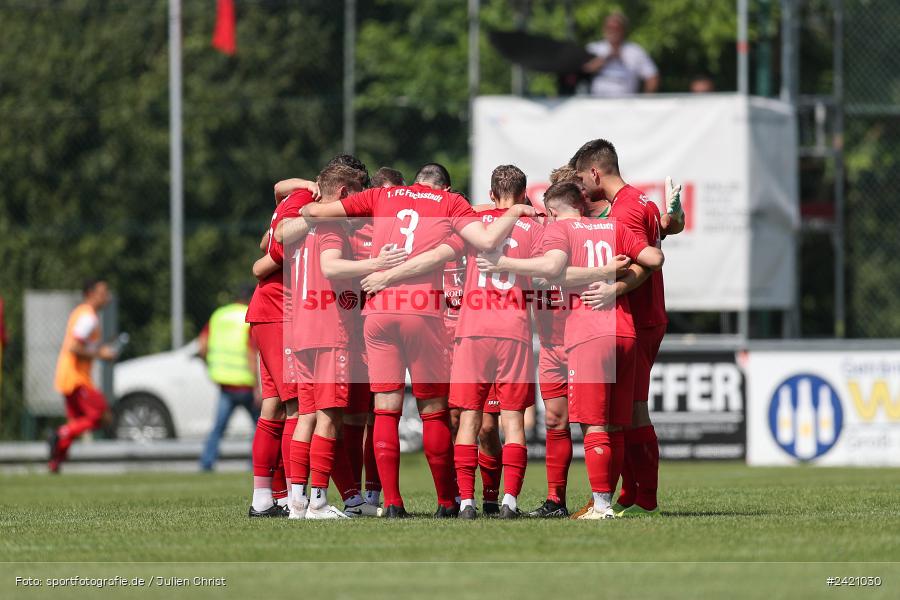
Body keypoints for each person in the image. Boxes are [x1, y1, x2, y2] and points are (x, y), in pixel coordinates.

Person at [303, 162, 535, 518]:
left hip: (377, 313)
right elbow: (487, 238)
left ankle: (391, 503)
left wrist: (310, 190)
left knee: (385, 409)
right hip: (422, 313)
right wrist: (517, 208)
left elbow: (312, 211)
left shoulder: (383, 194)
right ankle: (447, 500)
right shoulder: (450, 204)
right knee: (432, 411)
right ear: (445, 188)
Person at [478, 182, 664, 519]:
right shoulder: (551, 229)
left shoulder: (563, 231)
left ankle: (601, 502)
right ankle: (557, 501)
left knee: (597, 424)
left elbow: (552, 271)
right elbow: (653, 256)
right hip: (560, 340)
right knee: (562, 420)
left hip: (582, 334)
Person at [574, 139, 684, 517]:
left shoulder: (622, 213)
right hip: (648, 315)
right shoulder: (643, 202)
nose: (581, 189)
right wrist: (676, 218)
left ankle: (645, 498)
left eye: (581, 179)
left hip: (637, 316)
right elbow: (667, 230)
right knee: (627, 410)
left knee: (633, 410)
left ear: (595, 172)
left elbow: (647, 261)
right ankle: (628, 494)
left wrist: (615, 288)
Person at [450, 165, 543, 520]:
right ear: (523, 194)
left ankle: (466, 503)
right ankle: (509, 502)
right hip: (513, 329)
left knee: (469, 419)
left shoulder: (471, 221)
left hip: (472, 327)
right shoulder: (532, 226)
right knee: (513, 422)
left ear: (491, 194)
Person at [49, 279, 117, 473]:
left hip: (67, 375)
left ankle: (55, 463)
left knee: (76, 422)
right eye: (103, 293)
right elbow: (75, 347)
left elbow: (81, 344)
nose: (107, 297)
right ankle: (60, 433)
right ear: (90, 294)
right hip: (76, 377)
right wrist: (100, 354)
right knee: (103, 416)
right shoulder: (89, 317)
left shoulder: (81, 313)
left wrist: (99, 349)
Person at [198, 286, 260, 472]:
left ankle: (207, 463)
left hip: (225, 383)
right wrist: (258, 385)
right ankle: (256, 464)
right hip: (246, 384)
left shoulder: (219, 315)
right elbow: (251, 352)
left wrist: (210, 367)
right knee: (260, 428)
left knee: (218, 428)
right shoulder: (250, 315)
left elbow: (202, 345)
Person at [583, 13, 659, 97]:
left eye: (616, 28)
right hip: (594, 104)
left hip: (626, 105)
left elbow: (652, 77)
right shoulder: (593, 48)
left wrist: (646, 100)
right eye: (609, 28)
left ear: (623, 30)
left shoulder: (635, 51)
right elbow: (582, 70)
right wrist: (606, 59)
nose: (612, 31)